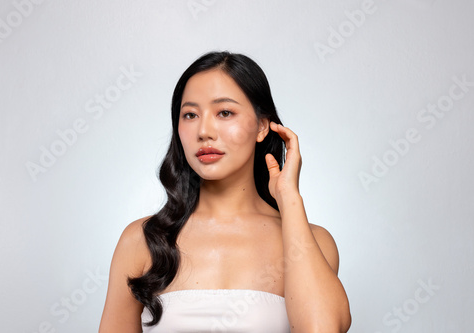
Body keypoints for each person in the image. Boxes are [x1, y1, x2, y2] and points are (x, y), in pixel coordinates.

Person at [99, 51, 351, 332]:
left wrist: (289, 199)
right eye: (190, 114)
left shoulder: (313, 241)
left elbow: (324, 328)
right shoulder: (143, 240)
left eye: (225, 112)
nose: (204, 131)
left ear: (262, 126)